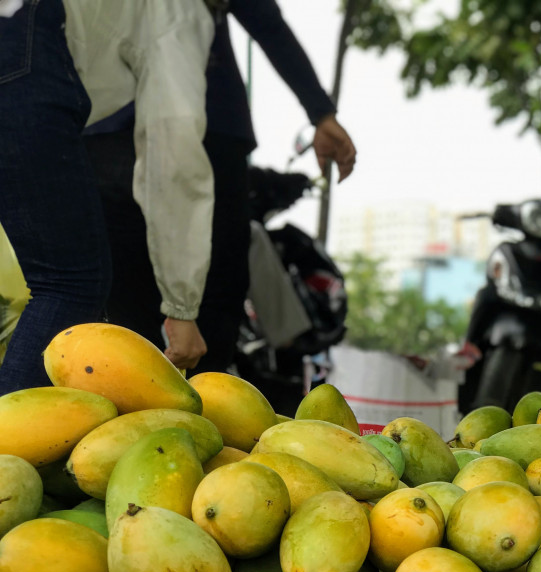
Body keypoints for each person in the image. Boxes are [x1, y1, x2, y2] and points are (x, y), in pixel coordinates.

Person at [85, 0, 357, 376]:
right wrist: (320, 112)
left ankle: (148, 410)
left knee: (133, 300)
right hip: (191, 126)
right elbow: (265, 20)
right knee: (211, 290)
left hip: (113, 127)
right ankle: (199, 409)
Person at [0, 0, 216, 393]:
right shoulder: (178, 7)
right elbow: (173, 145)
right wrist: (181, 307)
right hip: (17, 49)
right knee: (71, 284)